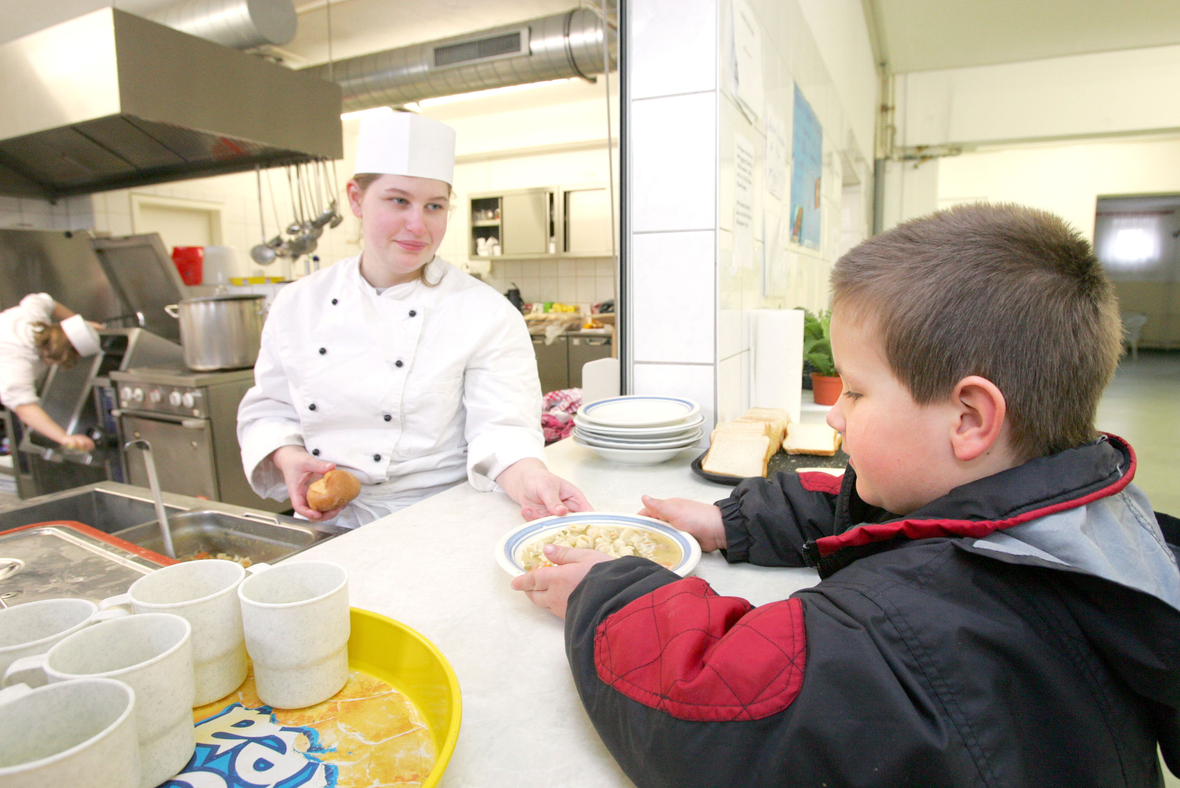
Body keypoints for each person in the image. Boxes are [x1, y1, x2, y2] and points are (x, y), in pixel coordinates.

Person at [512, 203, 1180, 787]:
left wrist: (606, 591)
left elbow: (708, 696)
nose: (833, 414)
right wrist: (727, 520)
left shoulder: (911, 634)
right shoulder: (1086, 518)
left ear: (970, 419)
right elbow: (867, 508)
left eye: (855, 391)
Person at [237, 108, 591, 528]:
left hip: (441, 518)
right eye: (398, 200)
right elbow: (271, 410)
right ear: (355, 199)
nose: (417, 226)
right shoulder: (297, 304)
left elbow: (502, 427)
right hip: (325, 524)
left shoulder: (485, 312)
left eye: (434, 206)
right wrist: (289, 457)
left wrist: (533, 477)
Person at [0, 293, 101, 453]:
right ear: (63, 358)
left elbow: (45, 301)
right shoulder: (19, 360)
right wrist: (64, 437)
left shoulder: (33, 319)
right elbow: (24, 407)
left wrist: (79, 323)